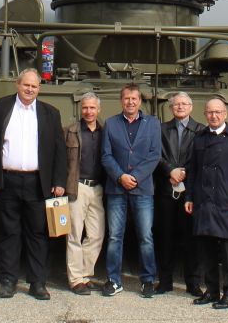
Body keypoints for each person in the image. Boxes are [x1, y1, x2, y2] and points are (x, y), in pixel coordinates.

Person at [0, 68, 66, 300]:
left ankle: (38, 283)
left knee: (37, 234)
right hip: (8, 180)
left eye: (34, 86)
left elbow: (59, 150)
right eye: (26, 85)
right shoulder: (1, 108)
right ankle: (8, 281)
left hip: (37, 182)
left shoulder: (50, 113)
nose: (29, 89)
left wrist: (59, 181)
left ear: (39, 88)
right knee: (9, 233)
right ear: (18, 85)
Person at [184, 96, 228, 310]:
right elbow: (193, 171)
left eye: (218, 112)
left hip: (226, 201)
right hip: (203, 201)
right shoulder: (199, 138)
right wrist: (189, 197)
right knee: (207, 250)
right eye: (210, 112)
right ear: (205, 114)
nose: (214, 116)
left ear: (225, 114)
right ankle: (212, 291)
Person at [100, 83, 161, 298]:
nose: (130, 102)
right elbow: (106, 155)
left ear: (140, 101)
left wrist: (135, 177)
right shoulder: (111, 123)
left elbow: (155, 154)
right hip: (117, 188)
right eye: (127, 98)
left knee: (145, 236)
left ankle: (148, 280)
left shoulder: (153, 124)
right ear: (121, 101)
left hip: (142, 188)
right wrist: (120, 176)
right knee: (115, 237)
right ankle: (113, 280)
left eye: (134, 98)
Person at [154, 92, 205, 296]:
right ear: (170, 108)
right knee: (164, 237)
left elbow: (202, 157)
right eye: (176, 104)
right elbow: (155, 154)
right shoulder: (161, 129)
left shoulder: (200, 130)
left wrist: (184, 172)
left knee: (191, 239)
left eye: (184, 104)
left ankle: (193, 282)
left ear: (191, 107)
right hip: (166, 190)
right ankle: (165, 281)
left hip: (190, 192)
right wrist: (170, 171)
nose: (180, 107)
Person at [64, 92, 105, 295]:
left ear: (99, 109)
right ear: (81, 109)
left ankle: (85, 274)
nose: (89, 111)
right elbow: (60, 160)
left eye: (92, 108)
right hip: (77, 187)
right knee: (74, 234)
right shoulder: (70, 131)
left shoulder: (105, 132)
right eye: (85, 108)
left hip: (98, 188)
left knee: (96, 235)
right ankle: (75, 279)